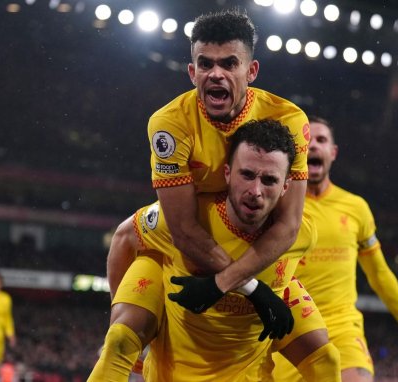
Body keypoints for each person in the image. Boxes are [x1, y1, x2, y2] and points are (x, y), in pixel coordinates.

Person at [90, 8, 315, 380]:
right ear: (192, 72)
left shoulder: (289, 121)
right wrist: (254, 290)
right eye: (205, 64)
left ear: (251, 72)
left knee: (325, 353)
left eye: (230, 63)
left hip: (240, 223)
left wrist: (226, 284)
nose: (217, 74)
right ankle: (128, 322)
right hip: (188, 226)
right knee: (126, 236)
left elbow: (289, 223)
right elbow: (182, 229)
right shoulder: (170, 125)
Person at [89, 120, 339, 381]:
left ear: (286, 186)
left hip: (245, 365)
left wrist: (269, 291)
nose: (255, 191)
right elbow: (123, 237)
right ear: (228, 173)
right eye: (247, 174)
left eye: (269, 180)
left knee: (327, 359)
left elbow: (287, 278)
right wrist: (119, 311)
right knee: (119, 339)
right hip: (174, 367)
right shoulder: (183, 218)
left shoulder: (300, 234)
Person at [271, 116, 398, 381]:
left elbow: (378, 272)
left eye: (321, 140)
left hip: (341, 326)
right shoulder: (278, 204)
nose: (313, 147)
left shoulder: (356, 208)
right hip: (289, 328)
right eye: (307, 141)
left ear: (333, 153)